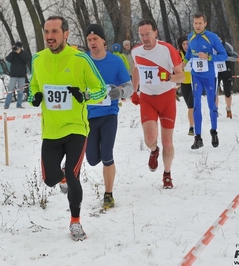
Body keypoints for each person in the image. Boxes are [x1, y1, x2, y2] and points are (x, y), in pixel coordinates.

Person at [28, 16, 107, 241]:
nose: (50, 36)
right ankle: (59, 176)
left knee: (74, 175)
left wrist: (84, 96)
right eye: (47, 32)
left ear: (66, 33)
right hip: (51, 130)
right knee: (50, 179)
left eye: (55, 31)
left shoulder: (80, 58)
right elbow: (33, 85)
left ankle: (75, 222)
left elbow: (100, 88)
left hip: (76, 129)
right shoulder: (37, 59)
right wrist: (34, 96)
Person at [131, 19, 185, 189]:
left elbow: (181, 76)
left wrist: (168, 77)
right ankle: (154, 151)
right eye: (141, 35)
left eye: (148, 34)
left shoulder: (167, 50)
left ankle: (167, 174)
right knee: (150, 139)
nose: (145, 38)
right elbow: (136, 69)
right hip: (147, 98)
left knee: (167, 141)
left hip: (167, 97)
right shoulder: (136, 51)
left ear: (155, 33)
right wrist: (134, 90)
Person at [85, 24, 133, 209]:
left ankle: (108, 194)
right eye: (89, 40)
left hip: (109, 115)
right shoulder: (83, 61)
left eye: (95, 39)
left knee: (107, 154)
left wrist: (119, 92)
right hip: (88, 116)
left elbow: (129, 87)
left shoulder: (115, 62)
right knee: (92, 159)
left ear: (104, 40)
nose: (92, 43)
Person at [183, 13, 227, 149]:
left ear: (205, 24)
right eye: (195, 23)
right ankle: (198, 137)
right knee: (196, 104)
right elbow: (189, 54)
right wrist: (183, 62)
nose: (197, 26)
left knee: (211, 105)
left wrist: (209, 57)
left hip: (209, 76)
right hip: (196, 75)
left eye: (200, 23)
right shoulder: (190, 37)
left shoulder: (212, 37)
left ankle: (214, 132)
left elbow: (224, 55)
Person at [213, 31, 238, 119]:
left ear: (220, 38)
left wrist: (225, 57)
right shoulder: (209, 46)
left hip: (226, 71)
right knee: (214, 92)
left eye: (218, 38)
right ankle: (215, 110)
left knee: (227, 92)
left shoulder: (226, 45)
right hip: (215, 72)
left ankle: (228, 109)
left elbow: (236, 57)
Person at [4, 41, 31, 109]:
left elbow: (27, 60)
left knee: (21, 91)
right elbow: (8, 59)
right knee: (10, 90)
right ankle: (6, 104)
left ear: (21, 47)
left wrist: (20, 53)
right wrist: (13, 52)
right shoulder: (13, 53)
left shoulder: (24, 53)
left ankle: (19, 104)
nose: (17, 48)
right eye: (16, 47)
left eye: (18, 47)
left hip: (22, 75)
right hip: (13, 75)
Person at [177, 35, 194, 135]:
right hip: (184, 83)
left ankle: (191, 127)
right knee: (190, 108)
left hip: (195, 83)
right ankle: (194, 124)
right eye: (183, 44)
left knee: (192, 106)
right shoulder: (179, 55)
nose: (186, 46)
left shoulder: (194, 53)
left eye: (187, 43)